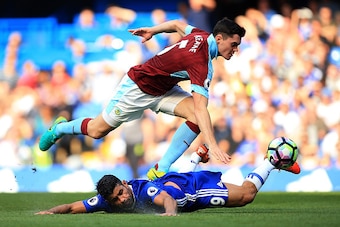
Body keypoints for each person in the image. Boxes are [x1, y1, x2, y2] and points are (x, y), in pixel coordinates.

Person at [39, 18, 246, 180]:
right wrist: (213, 145)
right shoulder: (201, 63)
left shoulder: (199, 35)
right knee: (96, 130)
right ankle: (59, 129)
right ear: (219, 38)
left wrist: (152, 30)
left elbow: (176, 25)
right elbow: (202, 109)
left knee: (196, 116)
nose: (235, 50)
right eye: (234, 44)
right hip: (138, 87)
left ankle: (161, 169)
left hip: (163, 90)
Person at [35, 144, 300, 216]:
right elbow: (72, 207)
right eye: (116, 199)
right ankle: (196, 155)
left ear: (125, 184)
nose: (122, 199)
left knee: (246, 196)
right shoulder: (107, 199)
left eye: (121, 192)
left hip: (192, 190)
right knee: (171, 178)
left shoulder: (143, 191)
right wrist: (48, 212)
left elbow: (168, 200)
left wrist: (171, 215)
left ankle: (272, 160)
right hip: (174, 179)